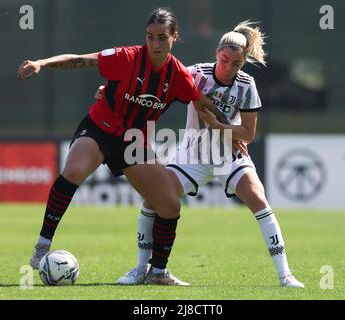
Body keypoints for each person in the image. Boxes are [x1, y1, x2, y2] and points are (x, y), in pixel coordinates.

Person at [18, 7, 224, 286]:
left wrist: (235, 133)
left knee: (170, 205)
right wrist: (42, 63)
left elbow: (204, 106)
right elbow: (81, 60)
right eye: (150, 37)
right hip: (100, 128)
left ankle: (158, 272)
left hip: (134, 141)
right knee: (74, 170)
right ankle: (43, 245)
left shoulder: (178, 76)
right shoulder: (126, 57)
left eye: (162, 38)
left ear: (175, 37)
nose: (154, 44)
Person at [116, 21, 305, 288]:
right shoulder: (195, 73)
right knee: (152, 200)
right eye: (225, 60)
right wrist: (117, 95)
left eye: (236, 64)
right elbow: (155, 88)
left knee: (259, 200)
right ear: (217, 53)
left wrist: (219, 127)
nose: (229, 68)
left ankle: (285, 275)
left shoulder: (247, 85)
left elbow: (248, 134)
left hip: (229, 156)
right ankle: (140, 269)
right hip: (192, 155)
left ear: (243, 63)